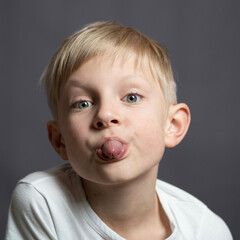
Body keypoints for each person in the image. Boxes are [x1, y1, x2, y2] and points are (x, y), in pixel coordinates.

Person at [5, 21, 233, 240]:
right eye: (83, 103)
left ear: (172, 125)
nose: (105, 115)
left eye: (131, 97)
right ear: (60, 140)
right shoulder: (43, 202)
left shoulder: (207, 231)